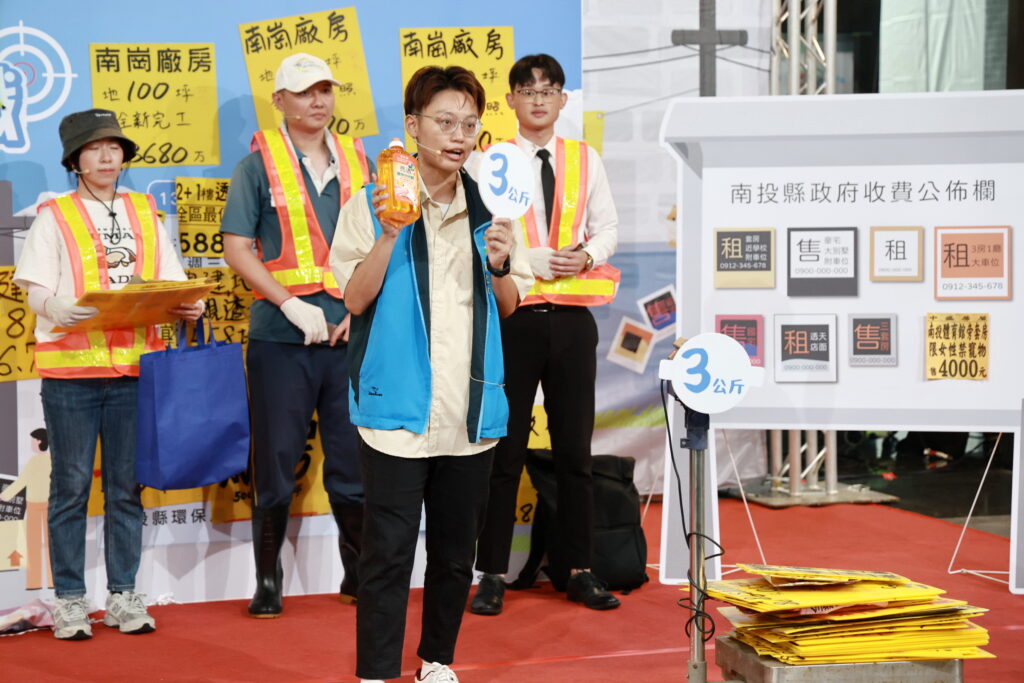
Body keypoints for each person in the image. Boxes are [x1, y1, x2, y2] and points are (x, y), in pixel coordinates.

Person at [331, 65, 532, 683]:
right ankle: (375, 672)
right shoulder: (370, 205)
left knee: (453, 555)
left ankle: (436, 662)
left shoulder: (493, 208)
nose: (458, 136)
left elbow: (509, 305)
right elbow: (354, 298)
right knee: (387, 554)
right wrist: (390, 235)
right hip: (396, 409)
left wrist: (501, 264)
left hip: (469, 412)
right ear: (413, 126)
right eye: (445, 122)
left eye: (469, 125)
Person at [13, 108, 204, 640]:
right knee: (71, 488)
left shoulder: (145, 212)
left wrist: (187, 305)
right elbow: (33, 288)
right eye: (94, 148)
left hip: (134, 371)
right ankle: (70, 600)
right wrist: (52, 305)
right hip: (72, 376)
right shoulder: (55, 215)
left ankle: (123, 594)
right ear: (74, 160)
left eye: (114, 147)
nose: (105, 157)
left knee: (124, 489)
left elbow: (170, 283)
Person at [470, 53, 622, 616]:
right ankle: (490, 573)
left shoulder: (585, 159)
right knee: (503, 451)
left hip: (574, 318)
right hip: (514, 317)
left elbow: (608, 228)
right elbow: (480, 234)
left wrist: (586, 255)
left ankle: (578, 568)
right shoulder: (489, 161)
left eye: (549, 90)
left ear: (563, 99)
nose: (538, 99)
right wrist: (529, 259)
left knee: (575, 450)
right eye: (527, 90)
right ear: (510, 99)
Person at [220, 52, 370, 618]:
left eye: (325, 90)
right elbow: (237, 249)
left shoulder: (361, 162)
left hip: (351, 334)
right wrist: (288, 303)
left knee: (354, 462)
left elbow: (385, 240)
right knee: (277, 459)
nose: (318, 101)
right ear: (279, 100)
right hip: (282, 339)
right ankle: (268, 580)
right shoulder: (255, 166)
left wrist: (363, 306)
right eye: (305, 92)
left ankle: (358, 572)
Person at [0, 429, 53, 590]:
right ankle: (53, 581)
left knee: (33, 545)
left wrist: (5, 495)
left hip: (35, 505)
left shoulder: (34, 461)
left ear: (39, 441)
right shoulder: (51, 461)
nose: (31, 444)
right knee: (51, 545)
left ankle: (34, 582)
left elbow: (21, 481)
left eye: (33, 440)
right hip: (48, 504)